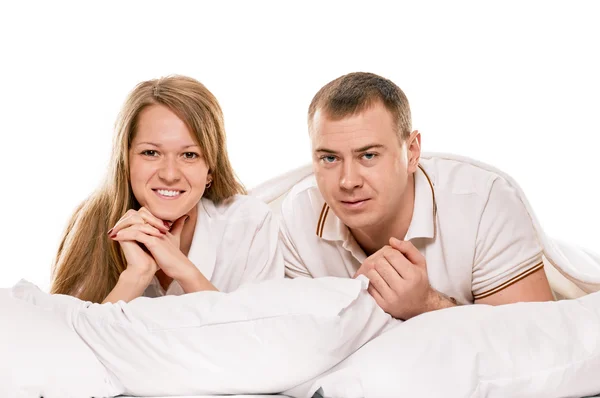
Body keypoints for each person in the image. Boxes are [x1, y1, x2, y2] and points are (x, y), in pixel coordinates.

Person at [279, 71, 555, 320]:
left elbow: (534, 344)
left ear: (412, 152)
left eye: (368, 155)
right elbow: (301, 348)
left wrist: (427, 305)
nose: (348, 181)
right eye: (329, 158)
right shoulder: (298, 216)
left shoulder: (483, 203)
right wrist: (353, 301)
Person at [50, 75, 282, 304]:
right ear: (125, 160)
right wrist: (135, 277)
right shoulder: (91, 224)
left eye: (189, 155)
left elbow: (259, 337)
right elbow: (71, 340)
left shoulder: (251, 223)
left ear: (210, 169)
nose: (169, 175)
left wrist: (184, 271)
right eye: (151, 153)